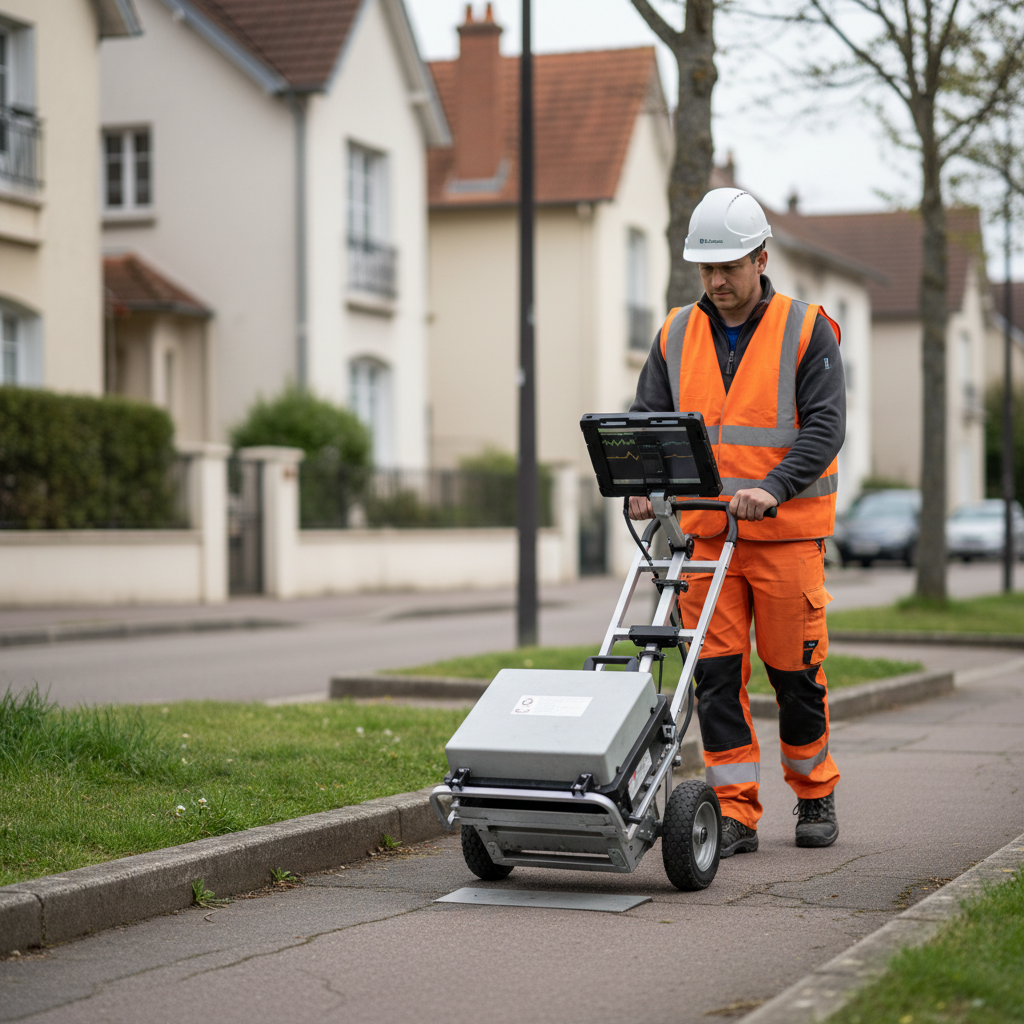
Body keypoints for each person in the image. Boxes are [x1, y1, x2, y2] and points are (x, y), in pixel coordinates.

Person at [630, 187, 844, 856]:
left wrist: (774, 488)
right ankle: (735, 813)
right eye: (706, 269)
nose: (716, 282)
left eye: (728, 268)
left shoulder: (808, 329)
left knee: (794, 674)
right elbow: (648, 422)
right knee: (716, 678)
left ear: (760, 259)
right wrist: (642, 482)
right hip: (705, 541)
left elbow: (826, 427)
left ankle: (815, 796)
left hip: (786, 537)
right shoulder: (674, 332)